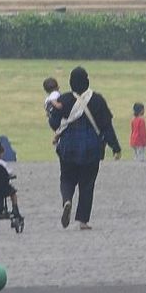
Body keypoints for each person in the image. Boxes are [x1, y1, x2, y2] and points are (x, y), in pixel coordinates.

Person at [48, 66, 122, 230]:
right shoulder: (97, 100)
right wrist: (115, 147)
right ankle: (82, 220)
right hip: (92, 148)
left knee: (67, 178)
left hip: (68, 148)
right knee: (87, 184)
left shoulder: (64, 100)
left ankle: (67, 200)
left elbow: (54, 123)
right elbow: (106, 126)